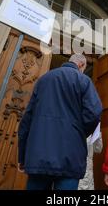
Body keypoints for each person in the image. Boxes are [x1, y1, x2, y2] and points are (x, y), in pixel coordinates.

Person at [18, 54, 102, 190]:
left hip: (39, 155)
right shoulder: (84, 80)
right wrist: (79, 133)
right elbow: (94, 113)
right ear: (81, 65)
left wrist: (22, 156)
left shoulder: (43, 80)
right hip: (70, 157)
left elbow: (26, 120)